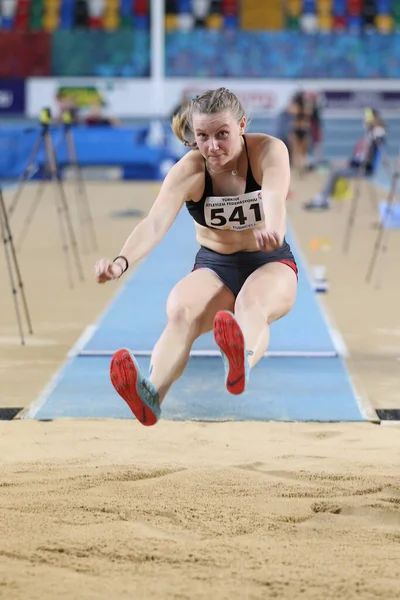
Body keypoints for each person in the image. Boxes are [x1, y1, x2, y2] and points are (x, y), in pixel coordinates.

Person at [94, 87, 298, 427]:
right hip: (216, 264)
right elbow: (155, 222)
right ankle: (151, 394)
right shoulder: (189, 170)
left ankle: (240, 361)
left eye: (222, 135)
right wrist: (120, 262)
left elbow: (275, 194)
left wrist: (273, 230)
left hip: (270, 260)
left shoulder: (269, 150)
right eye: (203, 136)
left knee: (251, 304)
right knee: (180, 311)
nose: (213, 146)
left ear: (242, 125)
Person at [304, 108, 386, 210]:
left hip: (364, 170)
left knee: (335, 171)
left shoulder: (377, 135)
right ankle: (323, 196)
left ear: (373, 119)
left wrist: (353, 163)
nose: (364, 120)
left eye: (366, 118)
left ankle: (323, 199)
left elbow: (367, 160)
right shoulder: (371, 134)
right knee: (334, 165)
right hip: (358, 165)